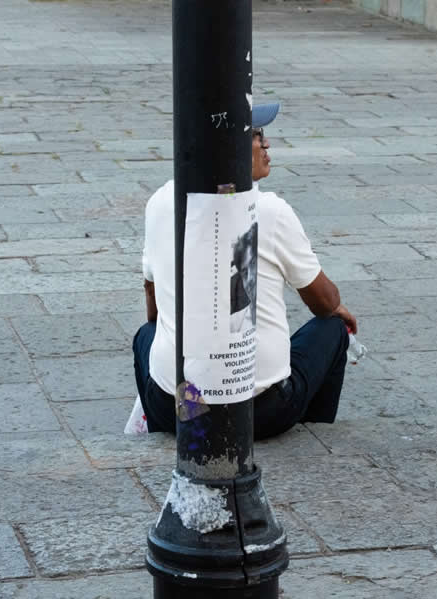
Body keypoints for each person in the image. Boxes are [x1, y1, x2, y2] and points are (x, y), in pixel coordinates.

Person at [132, 102, 357, 440]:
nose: (267, 145)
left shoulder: (160, 202)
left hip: (180, 406)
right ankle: (310, 437)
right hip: (258, 414)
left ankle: (169, 427)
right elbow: (324, 302)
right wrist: (337, 307)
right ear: (229, 148)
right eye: (257, 136)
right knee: (333, 329)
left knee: (144, 338)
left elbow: (153, 309)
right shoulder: (270, 211)